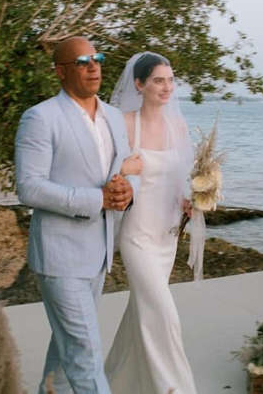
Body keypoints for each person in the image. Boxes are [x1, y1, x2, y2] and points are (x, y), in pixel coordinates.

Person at [15, 37, 138, 394]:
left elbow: (123, 173)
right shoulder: (40, 118)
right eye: (82, 61)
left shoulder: (114, 117)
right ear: (60, 71)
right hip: (59, 255)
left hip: (98, 254)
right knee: (84, 351)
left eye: (97, 59)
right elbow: (29, 188)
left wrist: (127, 194)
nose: (93, 66)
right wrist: (96, 199)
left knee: (67, 348)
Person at [104, 52, 197, 394]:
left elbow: (180, 179)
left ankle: (116, 381)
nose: (166, 87)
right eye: (158, 80)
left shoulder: (179, 126)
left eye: (171, 80)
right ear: (139, 84)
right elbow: (108, 175)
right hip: (137, 235)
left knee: (141, 311)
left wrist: (189, 199)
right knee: (163, 313)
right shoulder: (125, 123)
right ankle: (175, 389)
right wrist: (124, 171)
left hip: (167, 234)